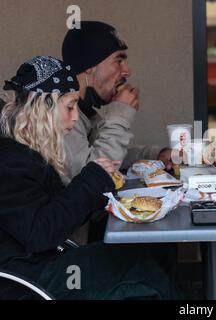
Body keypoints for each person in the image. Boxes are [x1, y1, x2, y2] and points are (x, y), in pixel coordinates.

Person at [0, 56, 180, 300]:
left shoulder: (26, 153)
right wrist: (92, 178)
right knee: (136, 265)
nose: (75, 118)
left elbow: (53, 213)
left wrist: (96, 185)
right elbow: (40, 233)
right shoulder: (10, 161)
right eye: (69, 106)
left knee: (147, 259)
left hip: (46, 263)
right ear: (43, 108)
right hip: (29, 280)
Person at [62, 21, 173, 180]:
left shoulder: (85, 112)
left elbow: (106, 157)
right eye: (119, 60)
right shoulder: (60, 116)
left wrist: (155, 155)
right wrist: (120, 116)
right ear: (89, 66)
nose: (127, 71)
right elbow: (91, 175)